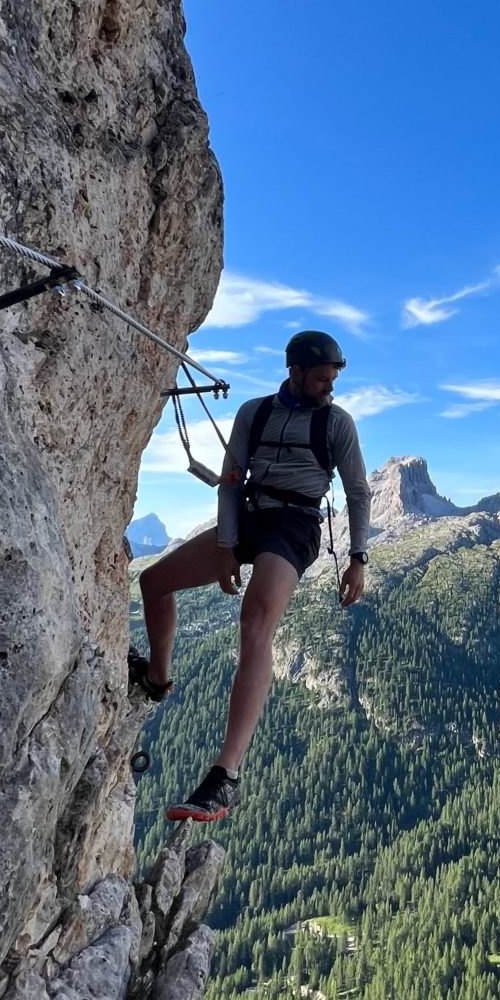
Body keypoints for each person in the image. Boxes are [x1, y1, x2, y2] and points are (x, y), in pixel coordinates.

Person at [134, 330, 372, 823]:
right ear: (296, 373)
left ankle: (226, 777)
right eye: (322, 379)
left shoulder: (337, 424)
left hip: (295, 524)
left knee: (255, 622)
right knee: (154, 583)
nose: (330, 387)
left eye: (333, 379)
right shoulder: (253, 412)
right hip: (247, 515)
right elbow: (229, 481)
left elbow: (358, 493)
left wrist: (358, 558)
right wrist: (225, 548)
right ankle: (157, 679)